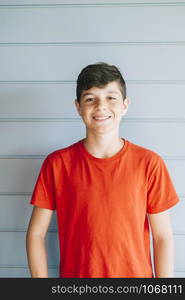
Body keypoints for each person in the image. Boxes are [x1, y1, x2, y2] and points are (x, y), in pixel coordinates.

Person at [26, 62, 180, 278]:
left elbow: (162, 236)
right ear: (78, 106)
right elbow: (36, 234)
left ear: (125, 105)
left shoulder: (149, 163)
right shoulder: (57, 164)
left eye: (111, 97)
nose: (101, 107)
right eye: (90, 99)